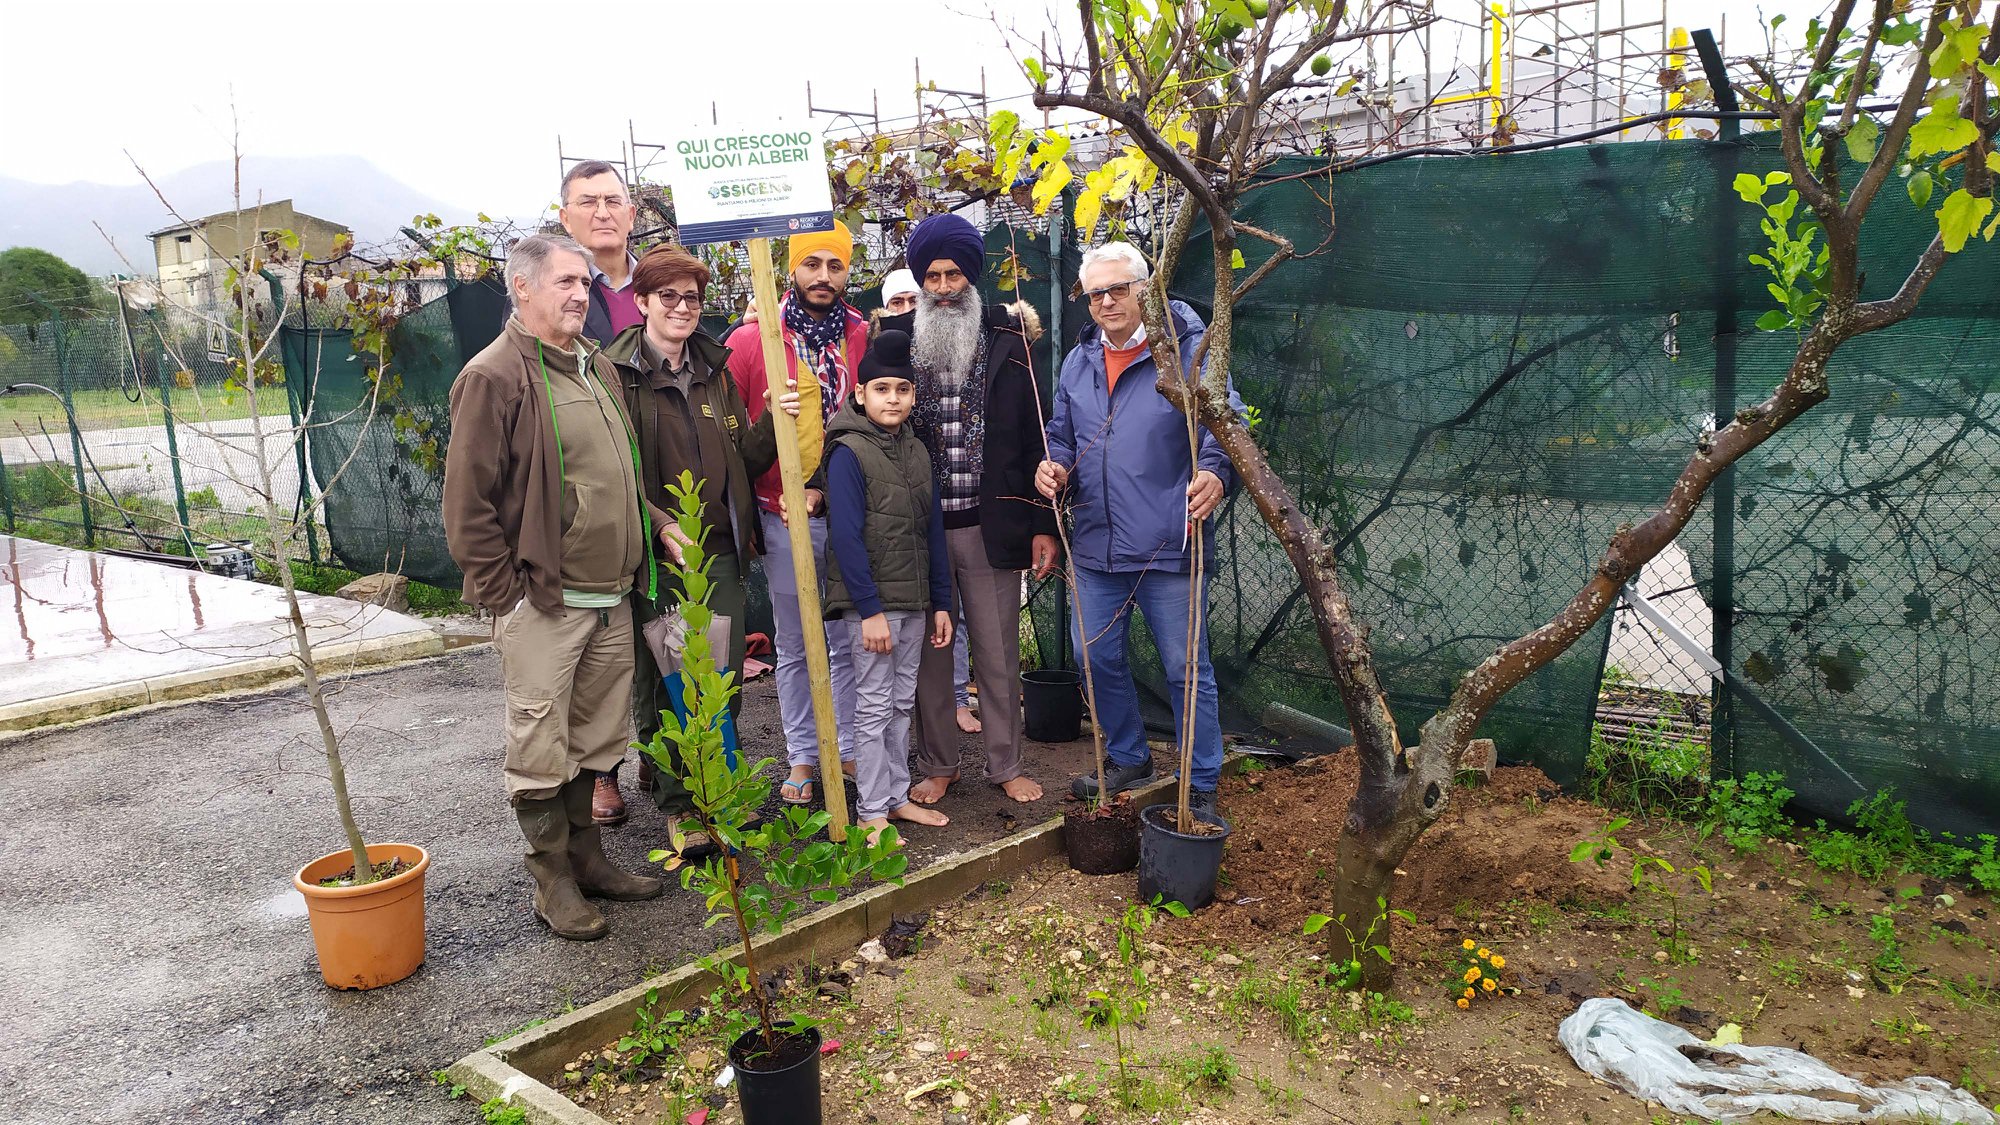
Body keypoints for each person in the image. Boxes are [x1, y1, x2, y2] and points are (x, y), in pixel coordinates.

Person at [442, 232, 675, 940]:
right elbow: (467, 505)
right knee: (541, 746)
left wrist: (657, 523)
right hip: (545, 602)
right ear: (522, 288)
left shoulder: (593, 365)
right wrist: (506, 595)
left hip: (610, 595)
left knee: (596, 739)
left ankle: (589, 861)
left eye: (585, 283)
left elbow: (616, 474)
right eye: (566, 282)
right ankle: (552, 883)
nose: (581, 294)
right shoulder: (493, 376)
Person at [596, 244, 803, 851]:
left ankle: (719, 794)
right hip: (658, 554)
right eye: (669, 296)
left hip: (720, 552)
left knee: (722, 677)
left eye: (692, 297)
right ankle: (682, 810)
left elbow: (744, 460)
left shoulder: (714, 369)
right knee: (671, 680)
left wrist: (776, 420)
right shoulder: (615, 373)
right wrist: (661, 526)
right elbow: (615, 471)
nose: (683, 308)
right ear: (641, 302)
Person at [1035, 241, 1245, 821]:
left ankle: (1201, 781)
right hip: (1095, 543)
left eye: (1117, 289)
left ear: (1146, 290)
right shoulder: (1078, 361)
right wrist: (1054, 465)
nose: (1105, 302)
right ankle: (1129, 757)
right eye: (1094, 294)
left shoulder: (1187, 350)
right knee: (1094, 658)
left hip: (1168, 542)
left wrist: (1215, 472)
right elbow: (1061, 432)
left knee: (1185, 669)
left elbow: (1224, 419)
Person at [875, 213, 1058, 807]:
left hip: (990, 525)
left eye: (954, 275)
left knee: (998, 653)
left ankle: (1006, 764)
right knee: (931, 656)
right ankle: (939, 764)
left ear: (971, 276)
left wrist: (1043, 524)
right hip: (921, 530)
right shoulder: (896, 339)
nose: (944, 287)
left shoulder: (1009, 338)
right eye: (932, 276)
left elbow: (1036, 436)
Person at [725, 222, 868, 806]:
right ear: (791, 268)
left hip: (851, 511)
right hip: (782, 514)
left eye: (834, 265)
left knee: (848, 638)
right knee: (795, 641)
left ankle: (849, 747)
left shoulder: (860, 334)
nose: (823, 276)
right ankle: (805, 754)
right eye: (812, 264)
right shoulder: (752, 339)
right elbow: (733, 438)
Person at [821, 329, 954, 843]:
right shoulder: (847, 452)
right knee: (873, 706)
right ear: (860, 394)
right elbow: (845, 537)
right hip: (872, 608)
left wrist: (940, 602)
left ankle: (897, 798)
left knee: (900, 705)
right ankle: (871, 811)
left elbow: (932, 532)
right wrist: (868, 609)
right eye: (881, 389)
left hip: (915, 603)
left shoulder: (917, 450)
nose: (892, 399)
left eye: (902, 389)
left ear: (913, 396)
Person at [556, 160, 642, 346]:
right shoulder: (543, 293)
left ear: (630, 215)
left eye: (613, 202)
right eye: (588, 202)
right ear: (566, 219)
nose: (603, 214)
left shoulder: (663, 282)